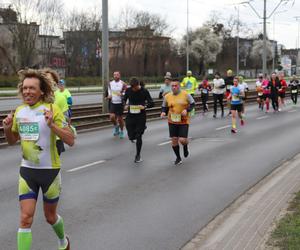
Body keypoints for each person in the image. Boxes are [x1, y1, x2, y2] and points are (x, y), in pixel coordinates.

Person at [2, 69, 74, 250]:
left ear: (41, 90)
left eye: (32, 88)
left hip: (50, 173)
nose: (27, 92)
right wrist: (7, 129)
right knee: (25, 219)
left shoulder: (52, 110)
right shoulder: (19, 111)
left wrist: (52, 126)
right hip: (27, 172)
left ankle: (62, 241)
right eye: (25, 88)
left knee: (50, 217)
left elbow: (70, 140)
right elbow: (12, 142)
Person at [161, 79, 195, 165]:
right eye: (172, 86)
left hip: (183, 121)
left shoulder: (185, 94)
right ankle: (178, 158)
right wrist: (163, 112)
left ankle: (185, 146)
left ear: (179, 86)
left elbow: (193, 104)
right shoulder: (167, 96)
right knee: (174, 139)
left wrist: (187, 110)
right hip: (172, 120)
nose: (174, 87)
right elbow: (164, 106)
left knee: (182, 140)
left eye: (176, 85)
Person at [123, 77, 154, 163]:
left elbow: (152, 103)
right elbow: (124, 99)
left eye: (135, 88)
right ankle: (141, 128)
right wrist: (124, 105)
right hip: (130, 115)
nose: (134, 89)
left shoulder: (144, 91)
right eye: (132, 88)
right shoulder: (129, 90)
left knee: (138, 136)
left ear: (138, 85)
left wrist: (144, 106)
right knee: (131, 136)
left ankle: (138, 155)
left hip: (140, 116)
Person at [43, 68, 69, 156]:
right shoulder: (35, 98)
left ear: (55, 83)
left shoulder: (61, 98)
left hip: (56, 139)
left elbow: (65, 118)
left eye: (50, 80)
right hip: (39, 139)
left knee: (51, 167)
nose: (48, 82)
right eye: (45, 79)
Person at [107, 71, 127, 139]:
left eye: (117, 75)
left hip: (120, 103)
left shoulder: (123, 83)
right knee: (112, 117)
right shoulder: (110, 83)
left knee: (120, 119)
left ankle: (121, 131)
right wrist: (109, 95)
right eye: (114, 75)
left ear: (119, 75)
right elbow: (109, 90)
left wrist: (122, 94)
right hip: (113, 103)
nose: (115, 76)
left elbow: (126, 92)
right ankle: (116, 126)